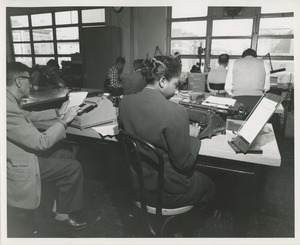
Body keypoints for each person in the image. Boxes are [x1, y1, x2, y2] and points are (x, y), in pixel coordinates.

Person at [118, 55, 216, 209]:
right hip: (167, 193)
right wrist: (192, 138)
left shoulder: (125, 103)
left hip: (138, 186)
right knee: (209, 183)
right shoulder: (176, 111)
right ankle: (192, 224)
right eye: (176, 84)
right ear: (162, 81)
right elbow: (184, 164)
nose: (176, 90)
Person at [7, 62, 87, 230]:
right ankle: (62, 217)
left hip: (21, 156)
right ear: (18, 81)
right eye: (28, 79)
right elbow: (41, 142)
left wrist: (58, 112)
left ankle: (59, 207)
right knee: (74, 167)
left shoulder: (8, 100)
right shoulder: (6, 107)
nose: (31, 82)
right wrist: (64, 121)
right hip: (18, 165)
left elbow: (28, 115)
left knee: (65, 154)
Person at [225, 48, 270, 113]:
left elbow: (228, 87)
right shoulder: (264, 63)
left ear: (242, 57)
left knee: (236, 122)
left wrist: (234, 94)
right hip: (257, 99)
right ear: (255, 57)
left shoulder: (234, 63)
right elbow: (266, 87)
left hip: (238, 99)